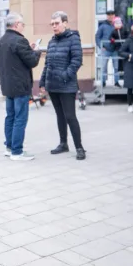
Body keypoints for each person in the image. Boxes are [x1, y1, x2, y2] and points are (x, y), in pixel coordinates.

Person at [0, 12, 41, 161]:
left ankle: (9, 148)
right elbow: (32, 61)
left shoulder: (1, 42)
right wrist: (36, 51)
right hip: (20, 87)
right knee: (20, 118)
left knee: (10, 117)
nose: (23, 26)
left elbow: (16, 59)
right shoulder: (19, 41)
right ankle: (17, 151)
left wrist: (29, 49)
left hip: (8, 87)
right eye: (22, 24)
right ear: (16, 25)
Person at [40, 10, 85, 160]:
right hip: (53, 86)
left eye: (57, 23)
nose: (54, 26)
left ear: (65, 23)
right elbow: (47, 64)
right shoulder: (51, 41)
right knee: (60, 116)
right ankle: (63, 144)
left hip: (67, 85)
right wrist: (42, 82)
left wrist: (65, 76)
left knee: (70, 116)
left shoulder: (73, 39)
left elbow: (76, 61)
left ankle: (79, 147)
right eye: (52, 24)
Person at [95, 9, 120, 87]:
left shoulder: (117, 25)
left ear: (114, 16)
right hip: (105, 50)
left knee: (116, 67)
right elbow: (97, 37)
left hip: (115, 49)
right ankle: (103, 82)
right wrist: (101, 46)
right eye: (109, 15)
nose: (110, 16)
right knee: (104, 67)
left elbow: (121, 35)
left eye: (112, 15)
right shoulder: (103, 26)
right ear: (107, 16)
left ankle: (116, 82)